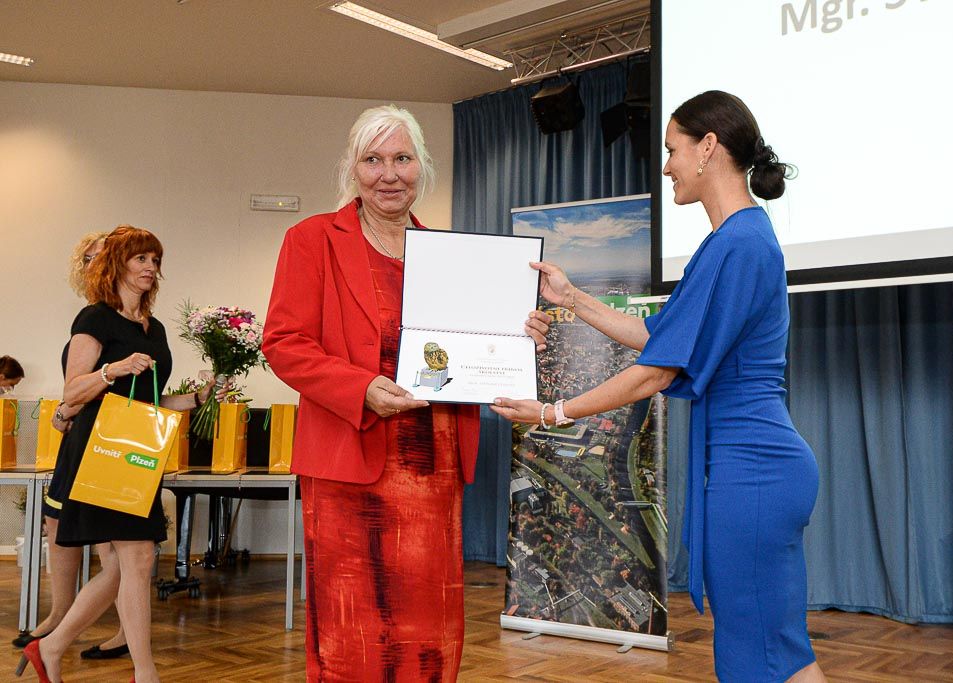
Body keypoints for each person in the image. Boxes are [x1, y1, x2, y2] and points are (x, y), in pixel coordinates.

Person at [492, 91, 827, 683]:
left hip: (754, 471)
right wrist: (572, 299)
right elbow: (657, 335)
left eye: (671, 150)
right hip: (751, 467)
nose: (667, 165)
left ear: (708, 148)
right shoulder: (735, 239)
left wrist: (551, 412)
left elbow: (656, 371)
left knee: (767, 656)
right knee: (771, 651)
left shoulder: (741, 243)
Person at [263, 104, 551, 681]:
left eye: (402, 158)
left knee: (427, 619)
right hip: (347, 457)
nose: (388, 174)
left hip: (432, 461)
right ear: (353, 167)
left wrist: (518, 340)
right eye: (373, 159)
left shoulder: (450, 253)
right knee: (350, 622)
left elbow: (474, 345)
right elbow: (284, 342)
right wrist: (359, 387)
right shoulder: (313, 238)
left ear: (423, 166)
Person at [16, 226, 220, 683]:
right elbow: (73, 390)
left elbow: (150, 400)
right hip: (99, 448)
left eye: (154, 260)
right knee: (137, 558)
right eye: (141, 259)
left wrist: (201, 397)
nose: (150, 268)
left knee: (135, 562)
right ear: (119, 265)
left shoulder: (156, 328)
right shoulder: (94, 318)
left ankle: (50, 647)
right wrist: (114, 368)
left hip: (137, 450)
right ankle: (144, 672)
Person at [12, 231, 131, 662]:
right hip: (79, 437)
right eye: (85, 258)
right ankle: (60, 614)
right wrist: (65, 413)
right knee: (58, 525)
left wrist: (65, 411)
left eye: (98, 256)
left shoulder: (115, 320)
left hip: (105, 442)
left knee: (116, 548)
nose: (91, 263)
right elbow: (75, 391)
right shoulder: (92, 317)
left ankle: (121, 631)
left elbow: (89, 389)